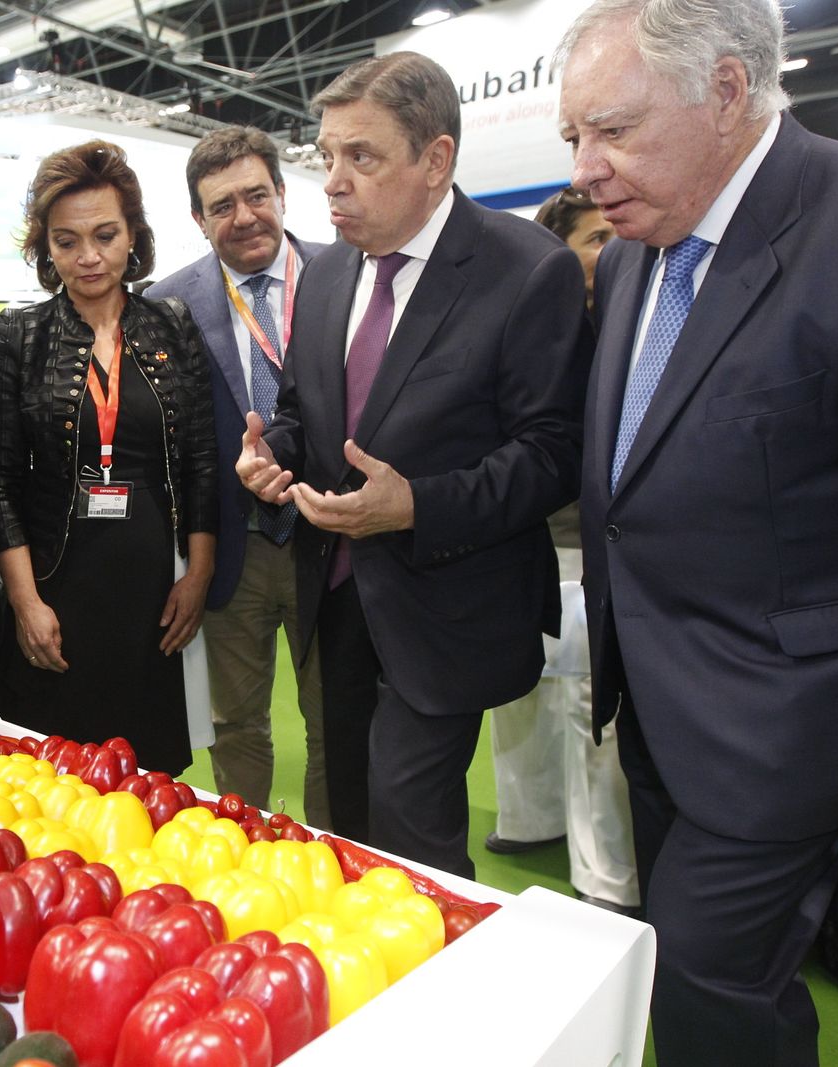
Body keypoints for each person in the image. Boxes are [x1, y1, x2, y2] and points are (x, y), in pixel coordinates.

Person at [557, 1, 838, 1062]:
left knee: (707, 983)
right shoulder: (636, 250)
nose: (587, 166)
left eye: (614, 129)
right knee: (723, 992)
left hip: (791, 732)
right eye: (574, 135)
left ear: (726, 91)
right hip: (664, 722)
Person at [236, 52, 590, 876]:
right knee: (346, 814)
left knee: (410, 834)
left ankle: (444, 986)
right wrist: (272, 458)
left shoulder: (526, 270)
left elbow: (553, 454)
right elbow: (302, 414)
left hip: (445, 601)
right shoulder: (323, 276)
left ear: (436, 160)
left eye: (361, 157)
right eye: (326, 157)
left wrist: (418, 505)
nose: (332, 182)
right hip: (336, 593)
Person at [0, 140, 218, 774]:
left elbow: (199, 460)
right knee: (53, 767)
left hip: (150, 578)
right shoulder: (19, 336)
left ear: (134, 235)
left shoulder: (172, 323)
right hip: (57, 575)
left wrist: (197, 576)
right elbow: (0, 480)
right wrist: (25, 603)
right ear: (44, 248)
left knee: (149, 768)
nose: (88, 257)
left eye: (106, 235)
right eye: (66, 241)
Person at [145, 128, 331, 825]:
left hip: (329, 541)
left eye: (257, 194)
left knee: (331, 725)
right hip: (231, 550)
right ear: (198, 219)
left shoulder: (341, 274)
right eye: (222, 205)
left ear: (282, 194)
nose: (245, 214)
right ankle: (242, 856)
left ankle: (328, 858)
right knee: (237, 727)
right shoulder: (167, 304)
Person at [484, 186, 639, 917]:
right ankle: (528, 817)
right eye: (598, 237)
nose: (614, 250)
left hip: (591, 552)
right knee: (517, 699)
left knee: (588, 710)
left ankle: (603, 870)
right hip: (523, 542)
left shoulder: (625, 327)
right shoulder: (531, 329)